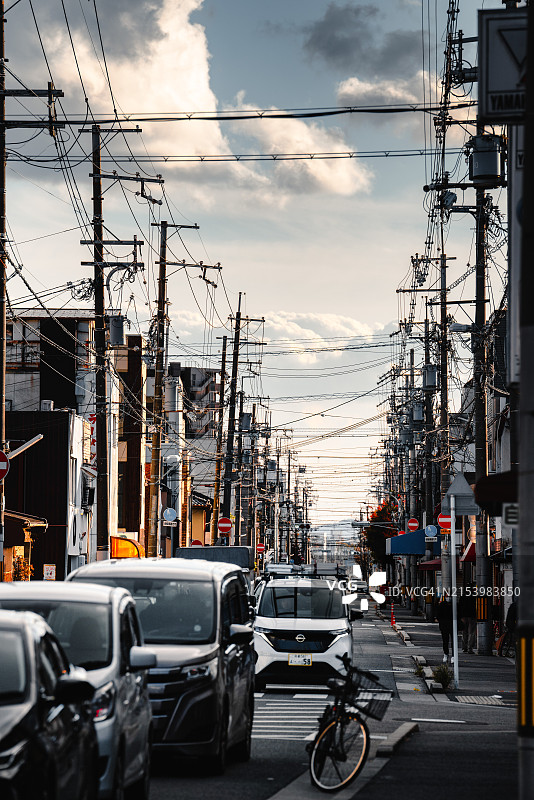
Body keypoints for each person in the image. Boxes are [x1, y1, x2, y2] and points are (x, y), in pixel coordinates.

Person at [435, 592, 453, 663]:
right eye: (447, 596)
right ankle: (446, 654)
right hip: (445, 625)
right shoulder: (442, 605)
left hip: (450, 625)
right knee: (446, 641)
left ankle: (452, 655)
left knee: (452, 641)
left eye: (449, 596)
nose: (448, 597)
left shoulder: (454, 605)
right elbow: (438, 615)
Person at [458, 586, 477, 653]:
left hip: (463, 616)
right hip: (472, 616)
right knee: (471, 632)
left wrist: (460, 616)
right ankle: (470, 648)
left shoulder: (462, 597)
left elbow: (459, 606)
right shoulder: (474, 597)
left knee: (464, 632)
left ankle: (464, 647)